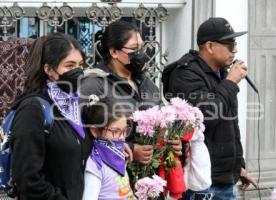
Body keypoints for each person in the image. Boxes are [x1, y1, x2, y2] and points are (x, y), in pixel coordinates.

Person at [162, 17, 257, 200]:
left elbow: (228, 125)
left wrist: (237, 166)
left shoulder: (222, 74)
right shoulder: (185, 74)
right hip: (202, 183)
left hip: (224, 179)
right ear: (210, 46)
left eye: (235, 43)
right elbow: (207, 116)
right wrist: (230, 82)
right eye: (229, 45)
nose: (235, 50)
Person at [79, 20, 182, 168]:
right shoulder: (95, 83)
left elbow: (163, 117)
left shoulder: (145, 82)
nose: (141, 54)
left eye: (142, 47)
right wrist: (129, 149)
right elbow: (84, 133)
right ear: (113, 52)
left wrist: (172, 140)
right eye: (134, 49)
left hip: (150, 177)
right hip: (113, 176)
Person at [10, 32, 93, 200]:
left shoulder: (75, 106)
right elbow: (27, 178)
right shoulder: (33, 109)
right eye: (69, 66)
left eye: (80, 65)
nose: (77, 71)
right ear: (48, 69)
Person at [81, 96, 134, 200]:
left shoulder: (118, 155)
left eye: (124, 131)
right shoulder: (96, 166)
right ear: (95, 131)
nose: (122, 138)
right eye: (115, 132)